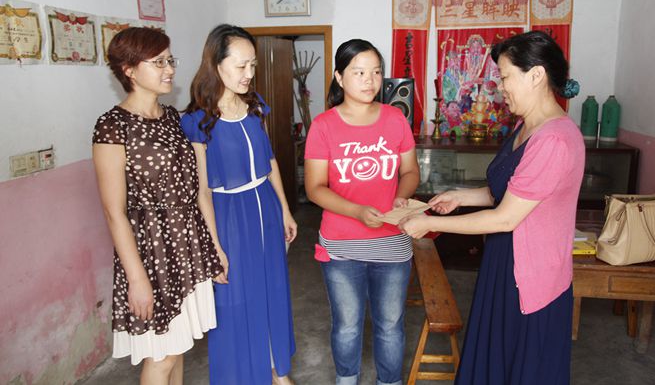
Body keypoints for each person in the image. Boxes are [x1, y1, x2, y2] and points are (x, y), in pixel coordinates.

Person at [399, 30, 584, 385]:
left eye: (505, 77)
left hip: (530, 276)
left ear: (536, 75)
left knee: (522, 365)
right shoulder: (526, 126)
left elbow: (506, 217)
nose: (501, 87)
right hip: (504, 262)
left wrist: (428, 223)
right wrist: (459, 196)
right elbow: (506, 191)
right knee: (497, 358)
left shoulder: (554, 140)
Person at [92, 27, 225, 384]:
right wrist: (137, 279)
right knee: (162, 356)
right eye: (158, 62)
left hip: (187, 245)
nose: (169, 69)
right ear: (130, 70)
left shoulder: (172, 119)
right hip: (151, 252)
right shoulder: (112, 126)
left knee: (178, 348)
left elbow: (195, 189)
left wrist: (212, 247)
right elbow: (114, 212)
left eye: (170, 60)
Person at [180, 24, 297, 385]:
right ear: (216, 64)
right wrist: (214, 245)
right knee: (235, 300)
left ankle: (277, 371)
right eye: (241, 65)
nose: (249, 74)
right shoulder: (197, 121)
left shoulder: (255, 106)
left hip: (266, 207)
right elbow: (202, 190)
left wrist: (285, 209)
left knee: (272, 289)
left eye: (253, 65)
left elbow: (270, 161)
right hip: (229, 216)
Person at [305, 39, 420, 385]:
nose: (370, 80)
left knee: (390, 325)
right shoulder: (323, 125)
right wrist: (356, 211)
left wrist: (401, 197)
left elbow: (411, 172)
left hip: (392, 243)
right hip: (342, 246)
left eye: (376, 72)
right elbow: (315, 188)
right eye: (359, 72)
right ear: (340, 77)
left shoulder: (395, 118)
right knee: (347, 326)